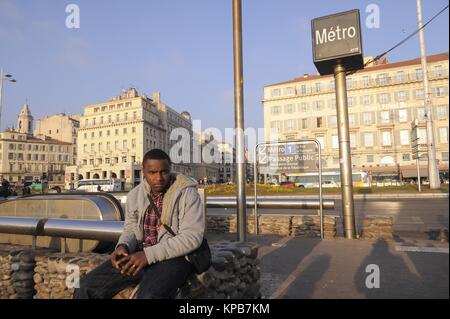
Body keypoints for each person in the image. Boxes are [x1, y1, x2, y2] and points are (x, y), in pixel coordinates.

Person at [74, 149, 204, 299]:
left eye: (164, 172)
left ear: (170, 170)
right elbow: (130, 229)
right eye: (152, 172)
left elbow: (192, 237)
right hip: (140, 254)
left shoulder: (186, 193)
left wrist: (148, 256)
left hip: (174, 257)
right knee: (86, 287)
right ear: (143, 172)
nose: (159, 178)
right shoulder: (135, 195)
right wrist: (123, 246)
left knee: (148, 296)